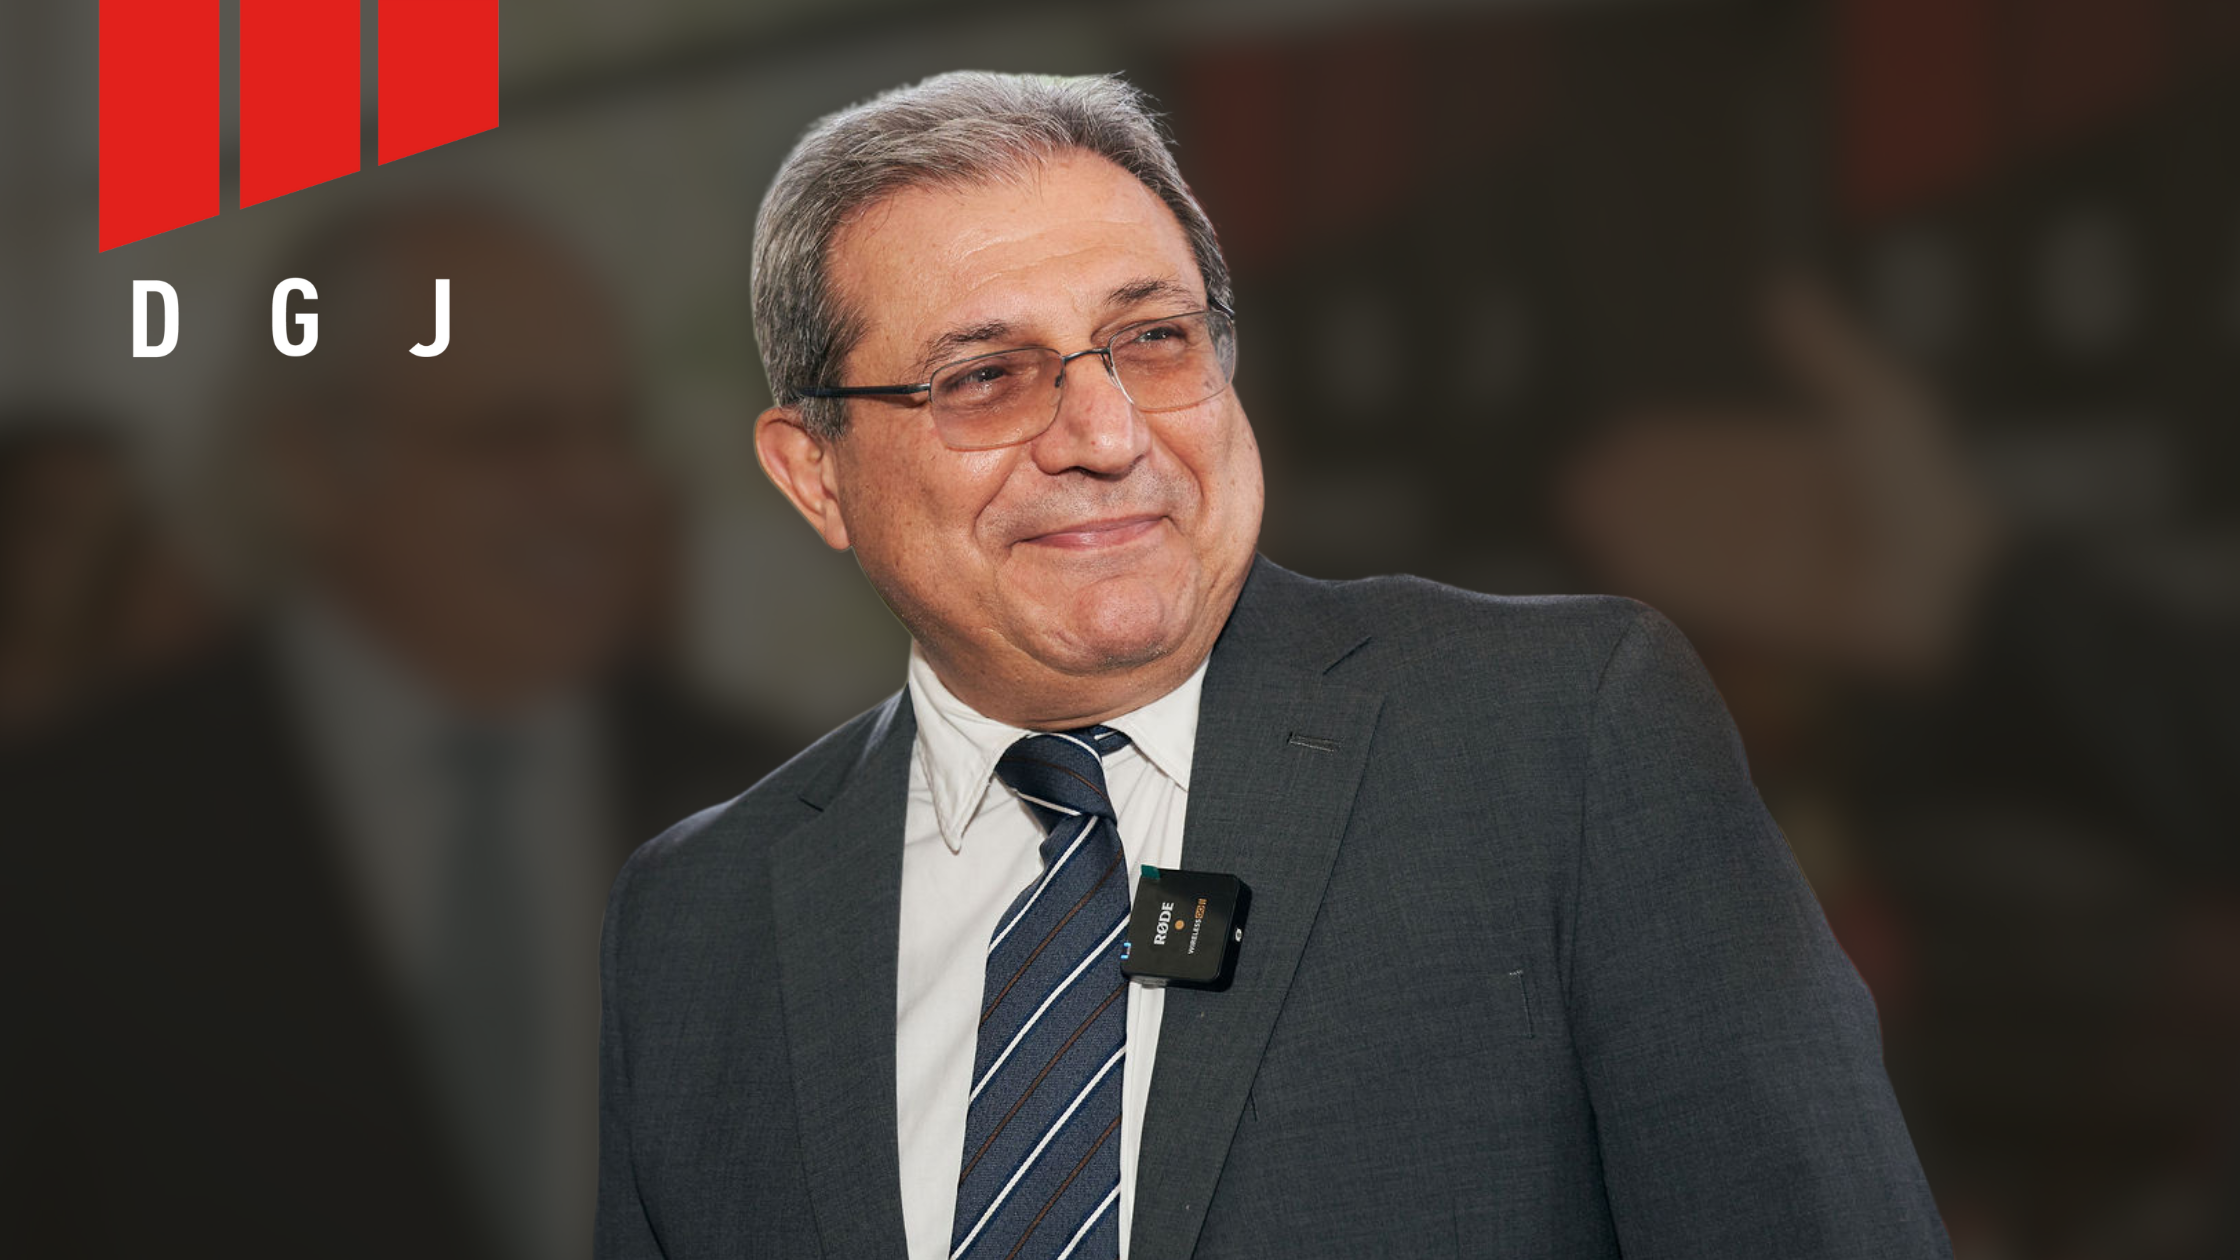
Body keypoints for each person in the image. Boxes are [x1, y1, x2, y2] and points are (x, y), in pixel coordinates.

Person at [596, 71, 1949, 1259]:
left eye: (1153, 340)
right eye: (986, 376)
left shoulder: (1557, 739)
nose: (1106, 435)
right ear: (813, 472)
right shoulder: (697, 920)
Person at [3, 204, 789, 1260]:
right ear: (311, 466)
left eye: (608, 430)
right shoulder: (67, 840)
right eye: (512, 438)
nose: (596, 493)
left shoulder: (773, 800)